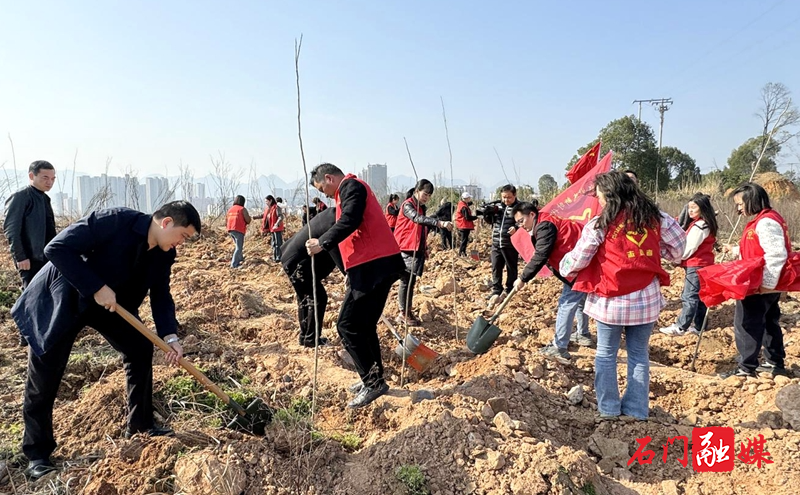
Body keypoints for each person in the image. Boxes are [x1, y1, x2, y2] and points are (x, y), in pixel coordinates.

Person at [11, 201, 201, 479]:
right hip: (65, 296)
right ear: (167, 223)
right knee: (45, 374)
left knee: (139, 348)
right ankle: (37, 453)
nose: (180, 244)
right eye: (183, 236)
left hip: (111, 306)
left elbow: (161, 295)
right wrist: (96, 287)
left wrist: (170, 335)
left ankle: (140, 425)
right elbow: (56, 248)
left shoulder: (163, 254)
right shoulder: (113, 221)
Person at [560, 171, 685, 420]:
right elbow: (680, 248)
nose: (599, 201)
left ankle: (608, 409)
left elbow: (580, 257)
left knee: (606, 354)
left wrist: (564, 266)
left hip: (610, 301)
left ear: (609, 195)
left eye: (599, 196)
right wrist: (656, 252)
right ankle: (637, 411)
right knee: (638, 354)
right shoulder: (656, 218)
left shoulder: (600, 223)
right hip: (646, 300)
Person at [306, 163, 405, 408]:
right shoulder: (347, 192)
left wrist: (323, 242)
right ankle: (373, 378)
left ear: (328, 178)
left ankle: (373, 383)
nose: (324, 195)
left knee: (347, 325)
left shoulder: (351, 186)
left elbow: (350, 220)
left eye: (322, 188)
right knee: (364, 325)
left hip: (374, 266)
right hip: (371, 267)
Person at [721, 183, 790, 378]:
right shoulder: (765, 220)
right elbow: (756, 249)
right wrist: (735, 250)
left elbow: (776, 254)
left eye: (740, 203)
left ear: (752, 200)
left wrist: (766, 284)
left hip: (760, 285)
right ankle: (774, 362)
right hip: (766, 283)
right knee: (769, 321)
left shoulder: (766, 222)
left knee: (747, 323)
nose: (739, 208)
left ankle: (746, 367)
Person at [512, 201, 589, 362]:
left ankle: (559, 347)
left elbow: (541, 254)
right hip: (578, 263)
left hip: (578, 265)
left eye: (521, 221)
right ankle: (583, 334)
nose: (521, 226)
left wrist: (523, 278)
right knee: (580, 300)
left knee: (566, 303)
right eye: (517, 223)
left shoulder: (545, 226)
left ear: (532, 214)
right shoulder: (543, 222)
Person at [3, 160, 57, 346]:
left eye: (52, 178)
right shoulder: (21, 197)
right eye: (45, 177)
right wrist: (20, 256)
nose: (49, 182)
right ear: (31, 176)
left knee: (43, 295)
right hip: (29, 258)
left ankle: (38, 333)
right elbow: (11, 229)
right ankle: (25, 337)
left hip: (45, 258)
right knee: (29, 296)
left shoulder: (44, 198)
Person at [394, 180, 453, 325]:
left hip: (415, 247)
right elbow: (417, 219)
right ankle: (403, 313)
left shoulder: (422, 207)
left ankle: (406, 311)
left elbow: (422, 229)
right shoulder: (408, 205)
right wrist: (440, 223)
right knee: (405, 281)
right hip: (405, 247)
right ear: (417, 191)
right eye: (425, 194)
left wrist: (423, 247)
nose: (426, 197)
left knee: (410, 281)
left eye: (429, 195)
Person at [282, 207, 343, 347]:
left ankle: (306, 337)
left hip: (292, 259)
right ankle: (310, 339)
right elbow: (334, 249)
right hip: (298, 263)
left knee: (306, 298)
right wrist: (348, 274)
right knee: (316, 298)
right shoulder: (334, 223)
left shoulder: (332, 215)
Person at [660, 193, 718, 336]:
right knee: (700, 296)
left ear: (702, 209)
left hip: (696, 264)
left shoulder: (700, 225)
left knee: (689, 296)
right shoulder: (703, 223)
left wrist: (676, 259)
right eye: (689, 208)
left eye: (694, 208)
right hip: (704, 263)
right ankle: (699, 326)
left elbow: (689, 247)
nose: (690, 211)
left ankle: (681, 326)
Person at [488, 184, 521, 310]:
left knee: (511, 267)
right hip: (496, 242)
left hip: (510, 243)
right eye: (504, 197)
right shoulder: (498, 207)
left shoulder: (519, 208)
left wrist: (516, 227)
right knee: (496, 266)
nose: (506, 200)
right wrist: (488, 213)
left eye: (509, 197)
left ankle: (509, 290)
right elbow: (491, 221)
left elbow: (524, 221)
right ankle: (496, 290)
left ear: (514, 196)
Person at [225, 195, 252, 268]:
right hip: (239, 230)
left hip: (230, 229)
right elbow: (248, 220)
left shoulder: (230, 209)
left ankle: (240, 259)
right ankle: (234, 264)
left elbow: (226, 220)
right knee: (239, 247)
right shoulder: (242, 209)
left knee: (237, 246)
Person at [455, 192, 479, 257]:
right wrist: (476, 217)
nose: (470, 199)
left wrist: (472, 203)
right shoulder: (464, 207)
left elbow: (467, 205)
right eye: (469, 198)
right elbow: (467, 218)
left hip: (463, 225)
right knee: (464, 240)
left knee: (464, 240)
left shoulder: (462, 204)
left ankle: (463, 253)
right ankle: (461, 253)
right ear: (466, 198)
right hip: (464, 225)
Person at [262, 195, 284, 262]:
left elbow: (280, 217)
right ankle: (275, 257)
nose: (266, 203)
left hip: (277, 228)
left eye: (267, 201)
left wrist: (277, 224)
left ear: (271, 200)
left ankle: (279, 257)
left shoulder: (276, 207)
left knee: (278, 243)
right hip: (272, 229)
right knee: (274, 243)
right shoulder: (270, 208)